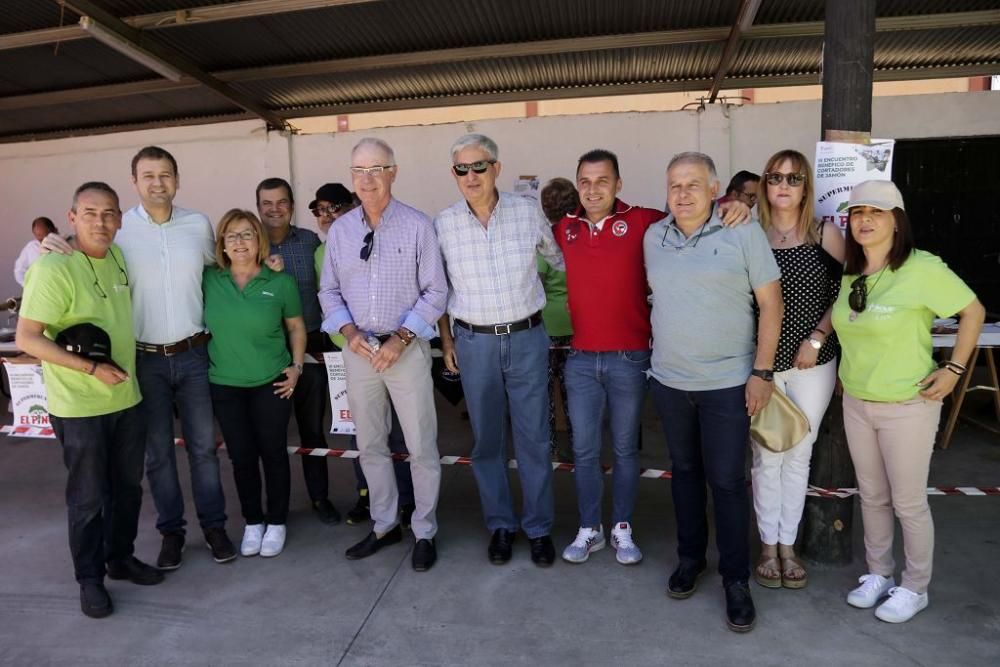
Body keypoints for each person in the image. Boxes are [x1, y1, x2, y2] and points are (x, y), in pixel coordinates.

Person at [44, 146, 237, 570]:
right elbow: (82, 250)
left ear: (177, 180)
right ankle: (172, 532)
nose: (158, 183)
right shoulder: (118, 229)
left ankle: (214, 526)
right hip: (142, 360)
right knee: (157, 454)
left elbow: (224, 265)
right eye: (148, 176)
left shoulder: (197, 225)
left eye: (165, 175)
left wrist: (264, 263)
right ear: (135, 181)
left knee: (204, 448)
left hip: (193, 355)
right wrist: (53, 241)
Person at [833, 180, 984, 623]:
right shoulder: (852, 269)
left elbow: (972, 311)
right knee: (872, 496)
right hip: (858, 400)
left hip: (908, 404)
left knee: (908, 501)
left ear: (896, 221)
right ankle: (879, 573)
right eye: (857, 211)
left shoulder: (922, 268)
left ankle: (915, 586)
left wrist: (955, 370)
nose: (864, 220)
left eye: (876, 212)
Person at [644, 152, 783, 633]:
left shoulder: (742, 230)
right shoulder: (652, 236)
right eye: (674, 185)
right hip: (669, 381)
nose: (682, 194)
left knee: (726, 482)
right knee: (683, 474)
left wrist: (761, 373)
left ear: (715, 188)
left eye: (693, 184)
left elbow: (771, 304)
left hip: (727, 384)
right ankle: (690, 558)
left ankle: (736, 578)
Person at [16, 182, 163, 619]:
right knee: (88, 498)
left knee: (127, 489)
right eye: (91, 213)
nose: (101, 221)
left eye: (109, 213)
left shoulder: (117, 256)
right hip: (79, 407)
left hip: (126, 400)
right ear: (73, 216)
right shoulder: (53, 267)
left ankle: (119, 558)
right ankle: (89, 579)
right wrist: (91, 369)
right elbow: (28, 338)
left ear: (120, 219)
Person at [319, 137, 447, 572]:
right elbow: (328, 290)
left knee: (420, 445)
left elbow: (436, 290)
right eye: (359, 171)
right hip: (359, 351)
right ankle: (385, 523)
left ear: (393, 172)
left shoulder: (417, 225)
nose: (367, 179)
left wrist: (402, 338)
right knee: (369, 444)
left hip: (405, 349)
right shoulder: (341, 230)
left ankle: (424, 529)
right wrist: (349, 331)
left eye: (376, 169)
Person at [436, 134, 563, 567]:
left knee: (534, 439)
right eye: (461, 168)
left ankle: (540, 527)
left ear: (497, 168)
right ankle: (501, 526)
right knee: (487, 441)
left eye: (479, 166)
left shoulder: (528, 213)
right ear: (453, 174)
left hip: (527, 338)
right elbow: (438, 290)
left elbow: (560, 261)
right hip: (474, 343)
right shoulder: (445, 224)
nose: (471, 176)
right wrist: (447, 341)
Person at [552, 151, 663, 566]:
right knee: (582, 450)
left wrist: (735, 206)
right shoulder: (564, 228)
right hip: (580, 359)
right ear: (576, 184)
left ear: (618, 183)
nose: (593, 189)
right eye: (585, 180)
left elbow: (695, 217)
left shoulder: (644, 220)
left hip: (629, 358)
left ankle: (622, 527)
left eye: (602, 180)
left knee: (624, 450)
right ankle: (589, 528)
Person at [750, 150, 845, 590]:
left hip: (813, 362)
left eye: (793, 178)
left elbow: (843, 294)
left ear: (806, 186)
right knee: (767, 455)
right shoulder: (752, 234)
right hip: (764, 363)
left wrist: (818, 339)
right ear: (765, 185)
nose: (783, 185)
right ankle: (768, 545)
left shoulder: (824, 233)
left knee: (799, 454)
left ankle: (789, 545)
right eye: (775, 177)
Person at [310, 183, 415, 526]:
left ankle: (407, 499)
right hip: (348, 355)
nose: (327, 216)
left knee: (398, 431)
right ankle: (367, 497)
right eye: (320, 210)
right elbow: (328, 298)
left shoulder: (377, 237)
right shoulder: (321, 252)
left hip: (390, 350)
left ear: (354, 204)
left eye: (334, 207)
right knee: (360, 433)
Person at [204, 209, 306, 558]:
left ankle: (276, 521)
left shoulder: (281, 282)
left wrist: (296, 367)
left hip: (272, 381)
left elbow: (295, 326)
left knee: (273, 452)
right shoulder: (208, 280)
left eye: (247, 234)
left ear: (259, 240)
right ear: (222, 243)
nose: (240, 241)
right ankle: (253, 521)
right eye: (231, 235)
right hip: (225, 383)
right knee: (241, 457)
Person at [257, 177, 342, 525]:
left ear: (292, 206)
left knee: (312, 430)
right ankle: (276, 507)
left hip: (311, 349)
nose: (274, 209)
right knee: (270, 434)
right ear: (258, 207)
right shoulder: (251, 246)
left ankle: (320, 498)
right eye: (267, 203)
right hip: (265, 352)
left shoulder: (310, 243)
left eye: (281, 202)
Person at [538, 177, 576, 461]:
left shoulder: (544, 240)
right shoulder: (581, 237)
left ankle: (549, 449)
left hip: (547, 327)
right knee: (574, 392)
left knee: (545, 395)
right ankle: (579, 448)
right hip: (578, 325)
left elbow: (534, 284)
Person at [14, 217, 57, 286]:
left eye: (47, 237)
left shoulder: (68, 245)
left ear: (55, 230)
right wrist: (29, 287)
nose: (44, 242)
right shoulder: (30, 248)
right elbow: (19, 271)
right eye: (40, 239)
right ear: (35, 235)